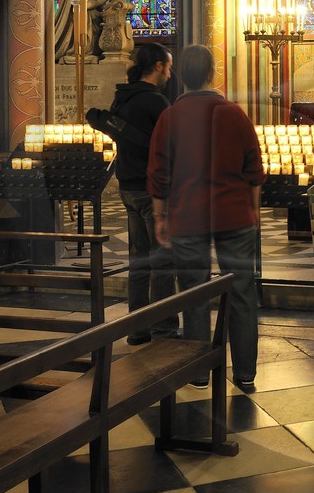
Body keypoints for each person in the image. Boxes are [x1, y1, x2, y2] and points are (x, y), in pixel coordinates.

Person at [148, 45, 265, 388]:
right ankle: (245, 374)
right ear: (213, 72)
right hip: (234, 214)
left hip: (188, 216)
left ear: (181, 75)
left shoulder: (170, 117)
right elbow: (254, 169)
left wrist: (160, 216)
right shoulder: (234, 113)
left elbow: (159, 174)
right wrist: (252, 210)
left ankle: (199, 371)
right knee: (242, 293)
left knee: (194, 293)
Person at [94, 41, 175, 344]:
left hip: (127, 186)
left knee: (139, 260)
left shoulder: (121, 99)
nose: (169, 73)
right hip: (151, 190)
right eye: (168, 66)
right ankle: (164, 328)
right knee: (163, 260)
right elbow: (169, 150)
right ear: (157, 66)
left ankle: (138, 328)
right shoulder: (155, 102)